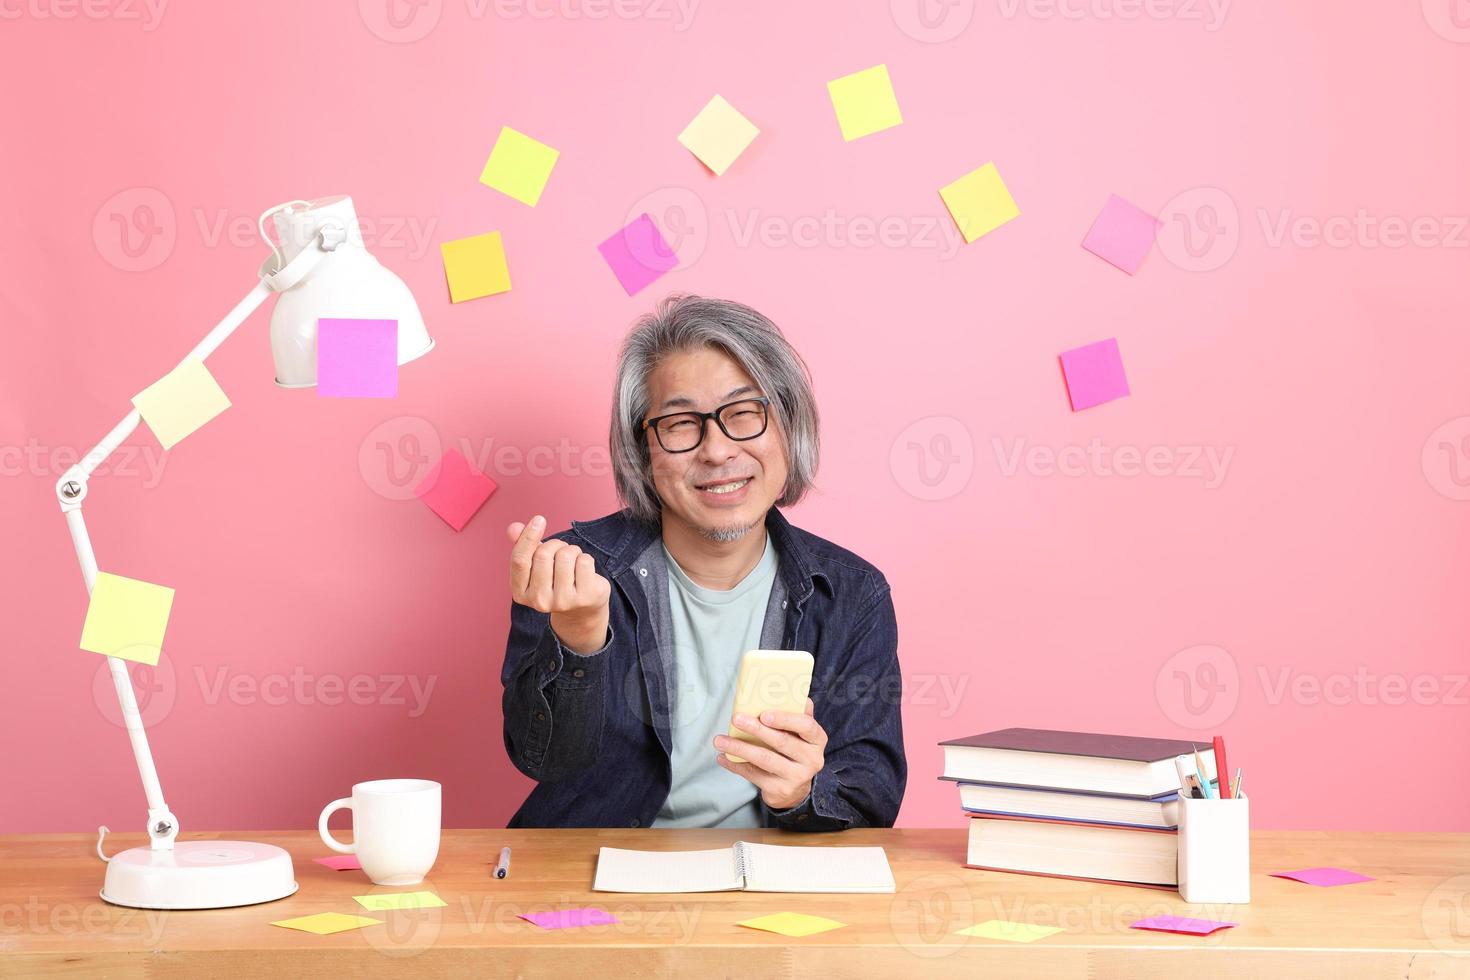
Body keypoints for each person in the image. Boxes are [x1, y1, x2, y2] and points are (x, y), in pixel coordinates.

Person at [501, 295, 905, 830]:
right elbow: (543, 760)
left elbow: (872, 794)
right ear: (643, 450)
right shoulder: (574, 574)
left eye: (743, 414)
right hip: (598, 878)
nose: (716, 451)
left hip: (772, 884)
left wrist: (805, 793)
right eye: (681, 423)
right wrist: (578, 638)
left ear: (788, 427)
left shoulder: (853, 594)